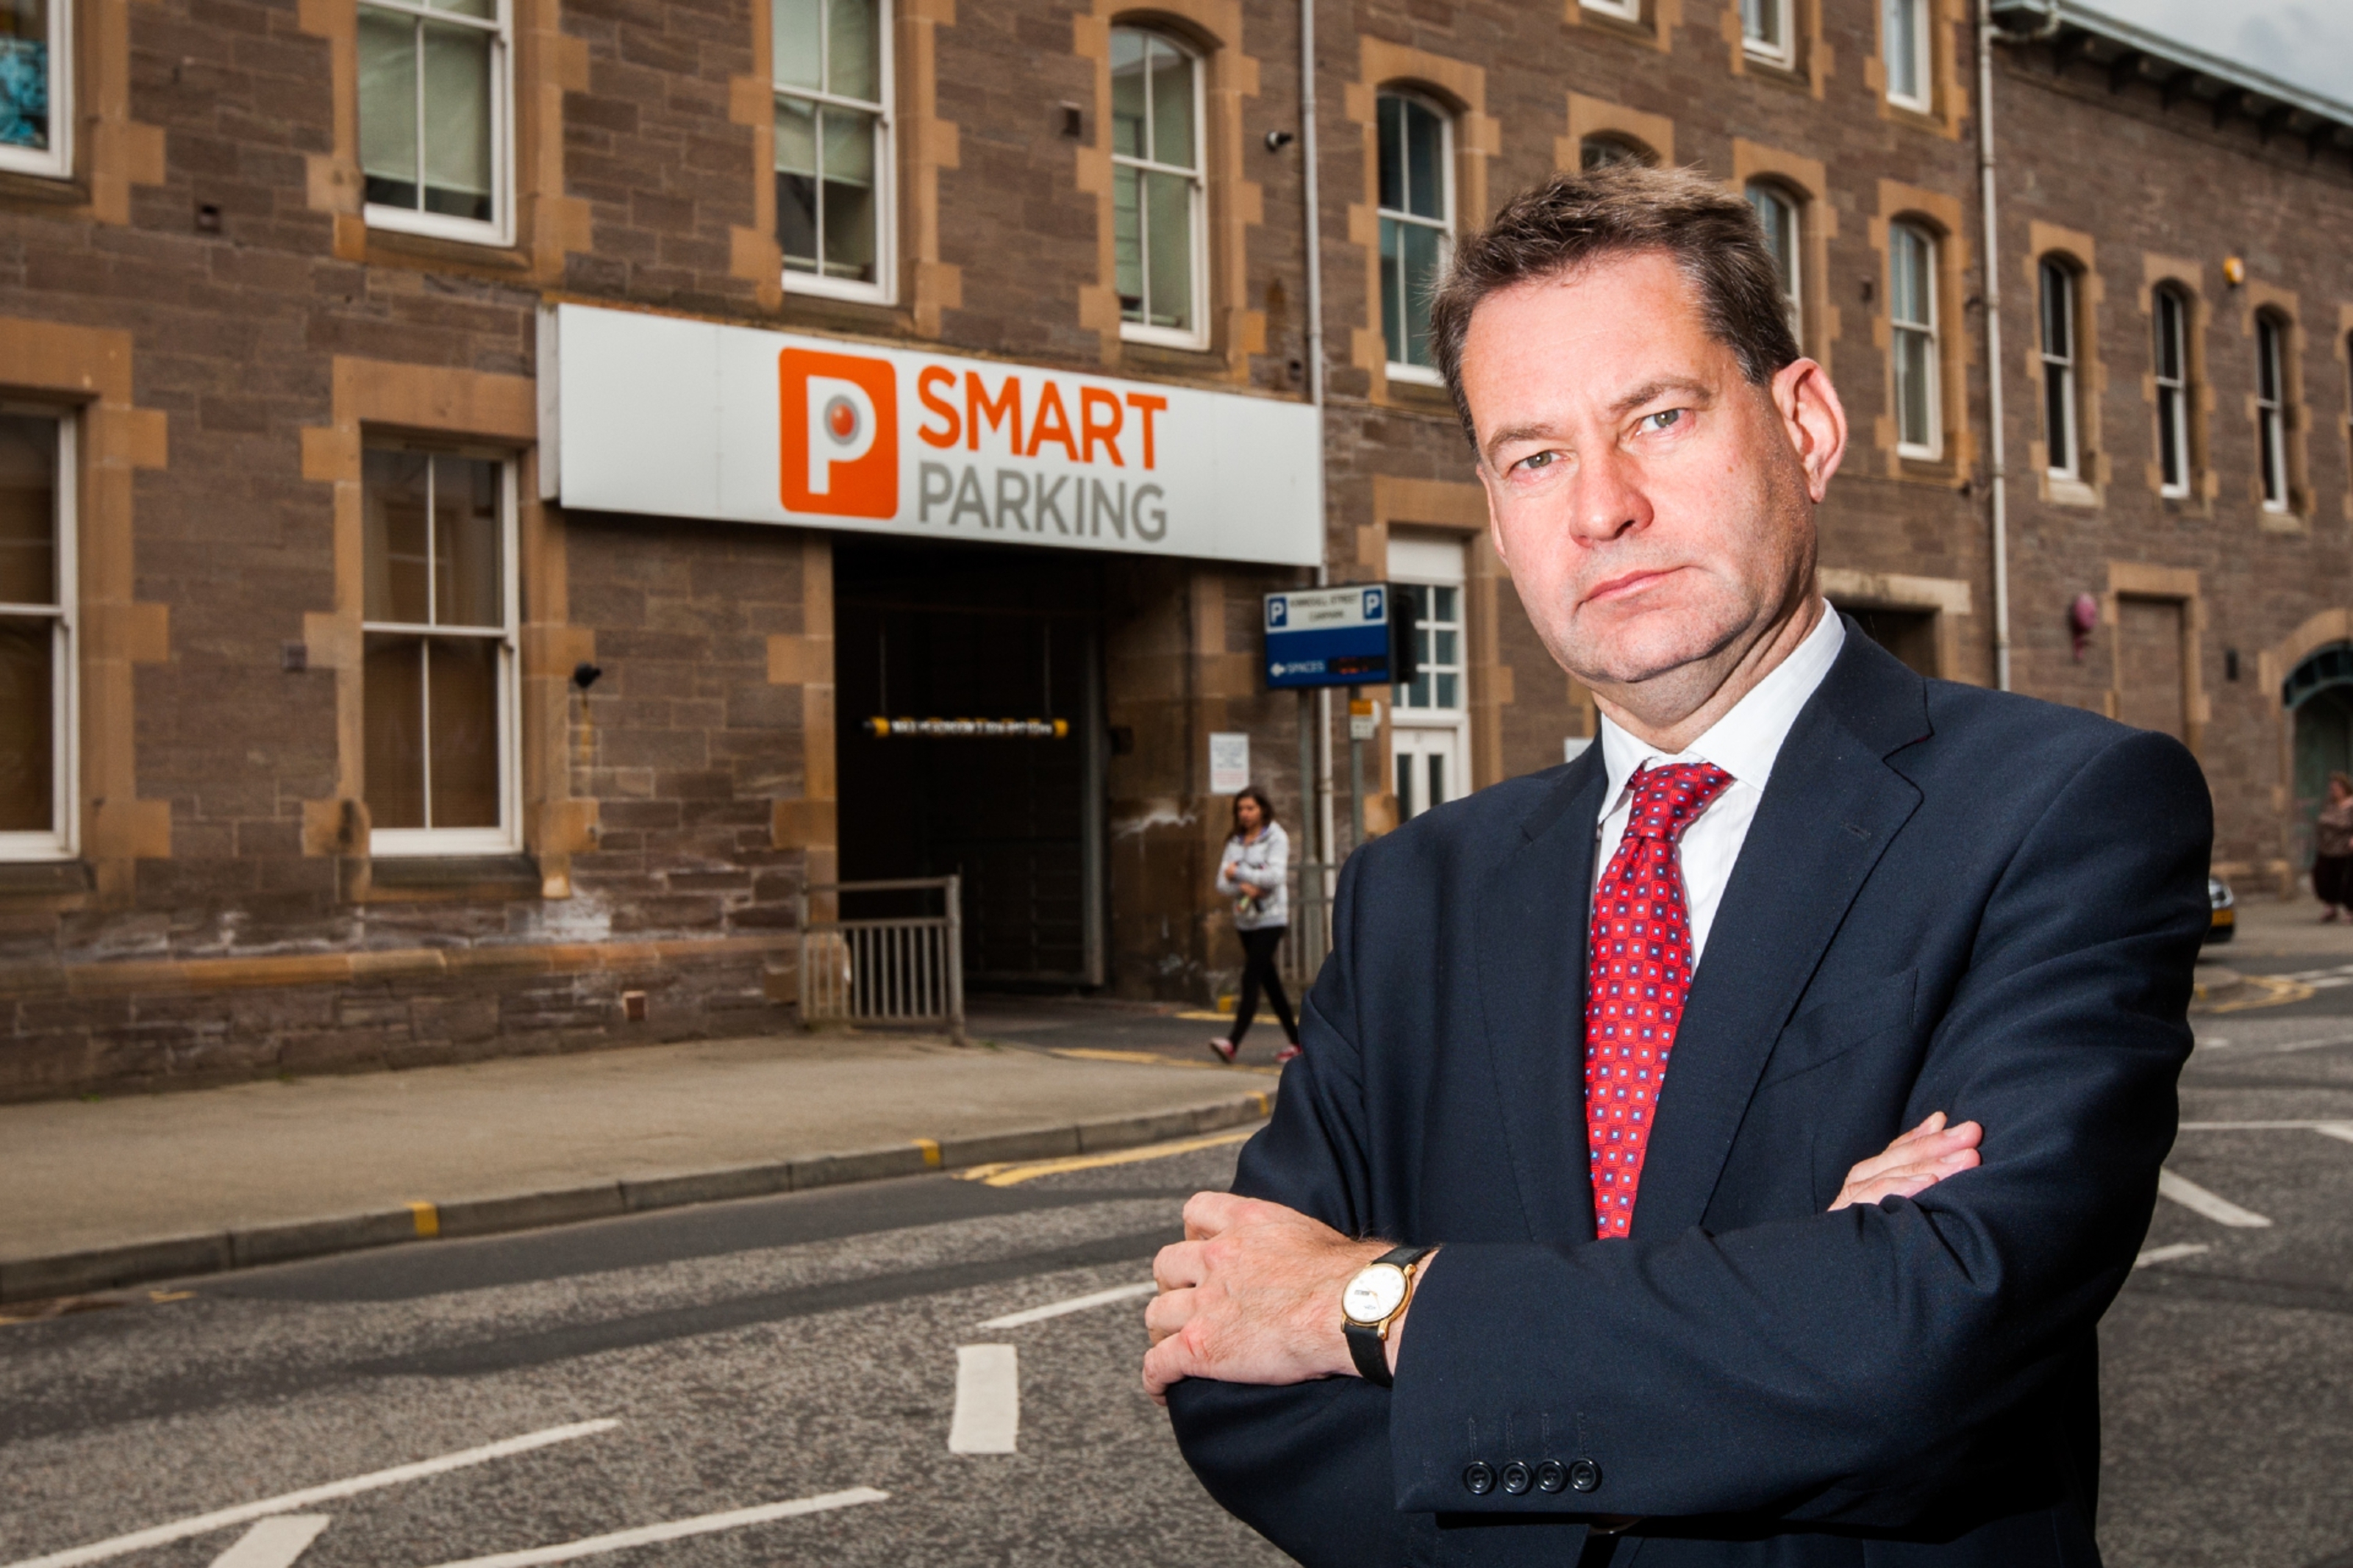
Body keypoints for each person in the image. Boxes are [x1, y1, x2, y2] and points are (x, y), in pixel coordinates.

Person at [1142, 165, 2210, 1567]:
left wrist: (1372, 1304)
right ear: (1495, 502)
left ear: (1806, 423)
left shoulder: (2059, 811)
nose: (1602, 506)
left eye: (1657, 415)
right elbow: (1225, 1363)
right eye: (1533, 455)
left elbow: (1923, 1334)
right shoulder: (1416, 894)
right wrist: (1753, 1372)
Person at [1211, 785, 1302, 1064]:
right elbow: (1221, 883)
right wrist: (1247, 885)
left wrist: (1238, 872)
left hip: (1271, 918)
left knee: (1251, 978)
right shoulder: (1235, 841)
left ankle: (1232, 1043)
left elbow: (1274, 877)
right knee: (1271, 984)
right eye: (1240, 809)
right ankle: (1299, 1043)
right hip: (1245, 920)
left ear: (1262, 809)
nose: (1245, 814)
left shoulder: (1276, 837)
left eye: (1250, 808)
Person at [2315, 771, 2353, 921]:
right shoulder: (2329, 804)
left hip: (2345, 848)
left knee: (2348, 880)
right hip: (2327, 848)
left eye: (2336, 787)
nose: (2333, 791)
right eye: (2331, 788)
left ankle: (2350, 909)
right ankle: (2330, 907)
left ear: (2344, 788)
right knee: (2324, 877)